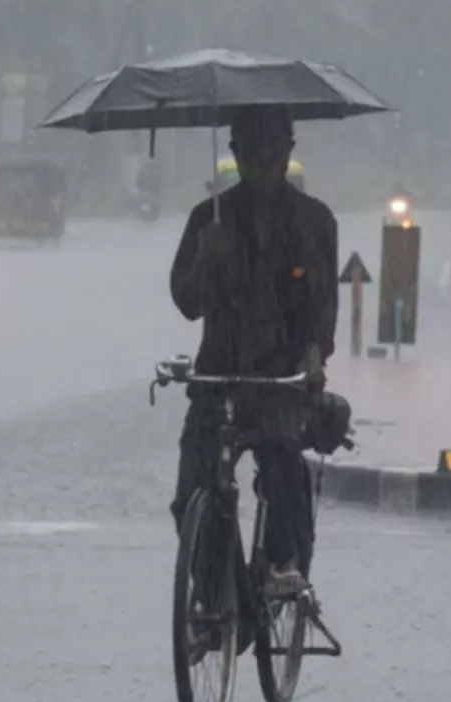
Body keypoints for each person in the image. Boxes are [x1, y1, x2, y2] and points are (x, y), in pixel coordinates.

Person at [168, 106, 338, 597]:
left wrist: (313, 356)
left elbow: (324, 306)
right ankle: (214, 592)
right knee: (193, 493)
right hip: (218, 375)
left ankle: (282, 562)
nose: (263, 164)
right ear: (235, 154)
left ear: (288, 151)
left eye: (273, 152)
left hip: (280, 378)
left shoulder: (315, 222)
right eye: (251, 153)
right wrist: (206, 259)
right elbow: (187, 303)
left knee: (283, 459)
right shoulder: (208, 219)